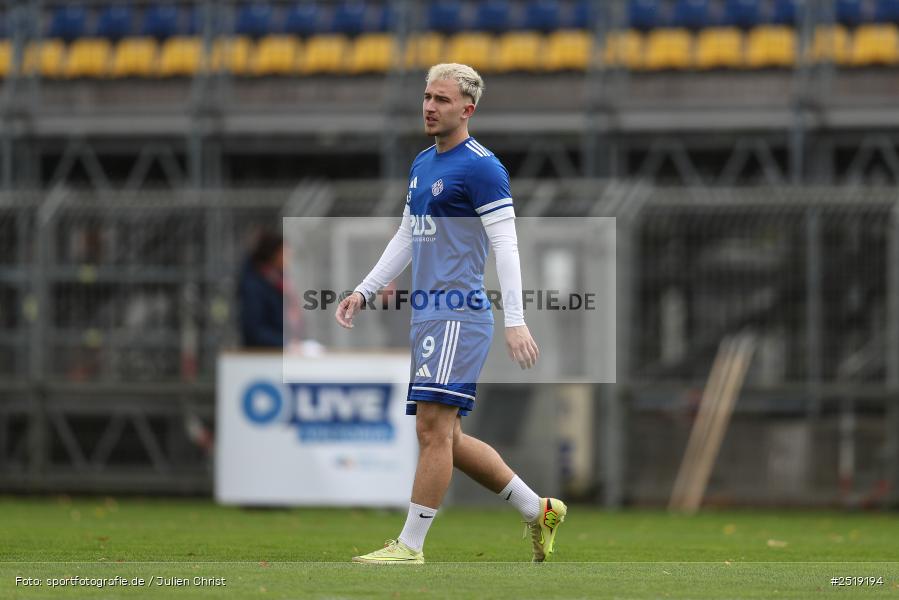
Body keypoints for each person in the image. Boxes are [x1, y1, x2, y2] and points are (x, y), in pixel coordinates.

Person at [336, 63, 566, 564]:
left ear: (467, 109)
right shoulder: (422, 163)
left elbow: (507, 246)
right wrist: (365, 290)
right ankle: (538, 508)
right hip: (427, 314)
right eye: (426, 97)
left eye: (441, 99)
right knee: (448, 436)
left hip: (459, 313)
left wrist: (515, 318)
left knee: (431, 430)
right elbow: (406, 236)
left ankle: (410, 547)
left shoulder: (482, 167)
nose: (429, 107)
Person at [238, 231, 302, 348]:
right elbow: (254, 331)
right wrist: (286, 343)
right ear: (274, 254)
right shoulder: (255, 286)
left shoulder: (280, 283)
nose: (290, 255)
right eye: (285, 251)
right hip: (264, 358)